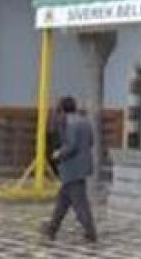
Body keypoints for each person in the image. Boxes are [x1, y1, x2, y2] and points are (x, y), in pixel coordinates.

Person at [43, 96, 98, 243]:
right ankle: (52, 228)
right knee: (63, 201)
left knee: (80, 204)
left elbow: (71, 145)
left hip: (72, 169)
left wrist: (58, 153)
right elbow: (91, 141)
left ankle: (90, 232)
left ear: (62, 109)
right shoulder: (85, 121)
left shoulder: (69, 123)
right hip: (81, 167)